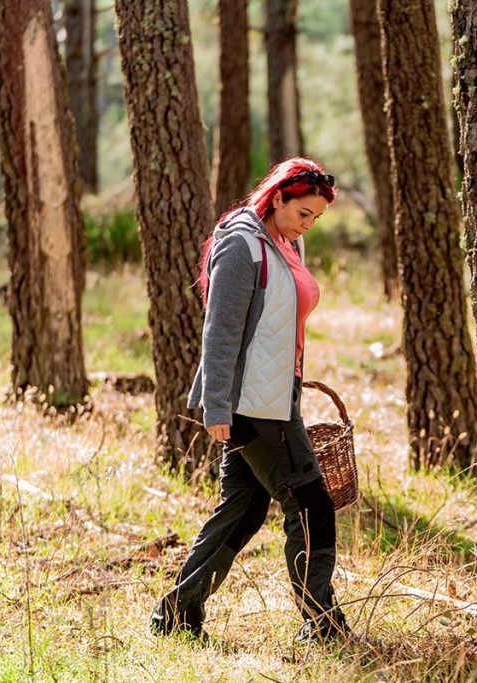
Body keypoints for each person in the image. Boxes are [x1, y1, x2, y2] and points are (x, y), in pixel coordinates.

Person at [150, 157, 348, 643]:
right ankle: (321, 623)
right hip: (254, 406)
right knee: (311, 506)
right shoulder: (241, 246)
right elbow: (220, 332)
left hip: (279, 396)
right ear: (277, 196)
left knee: (242, 509)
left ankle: (175, 615)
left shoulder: (286, 241)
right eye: (304, 212)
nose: (308, 224)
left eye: (315, 218)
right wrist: (216, 407)